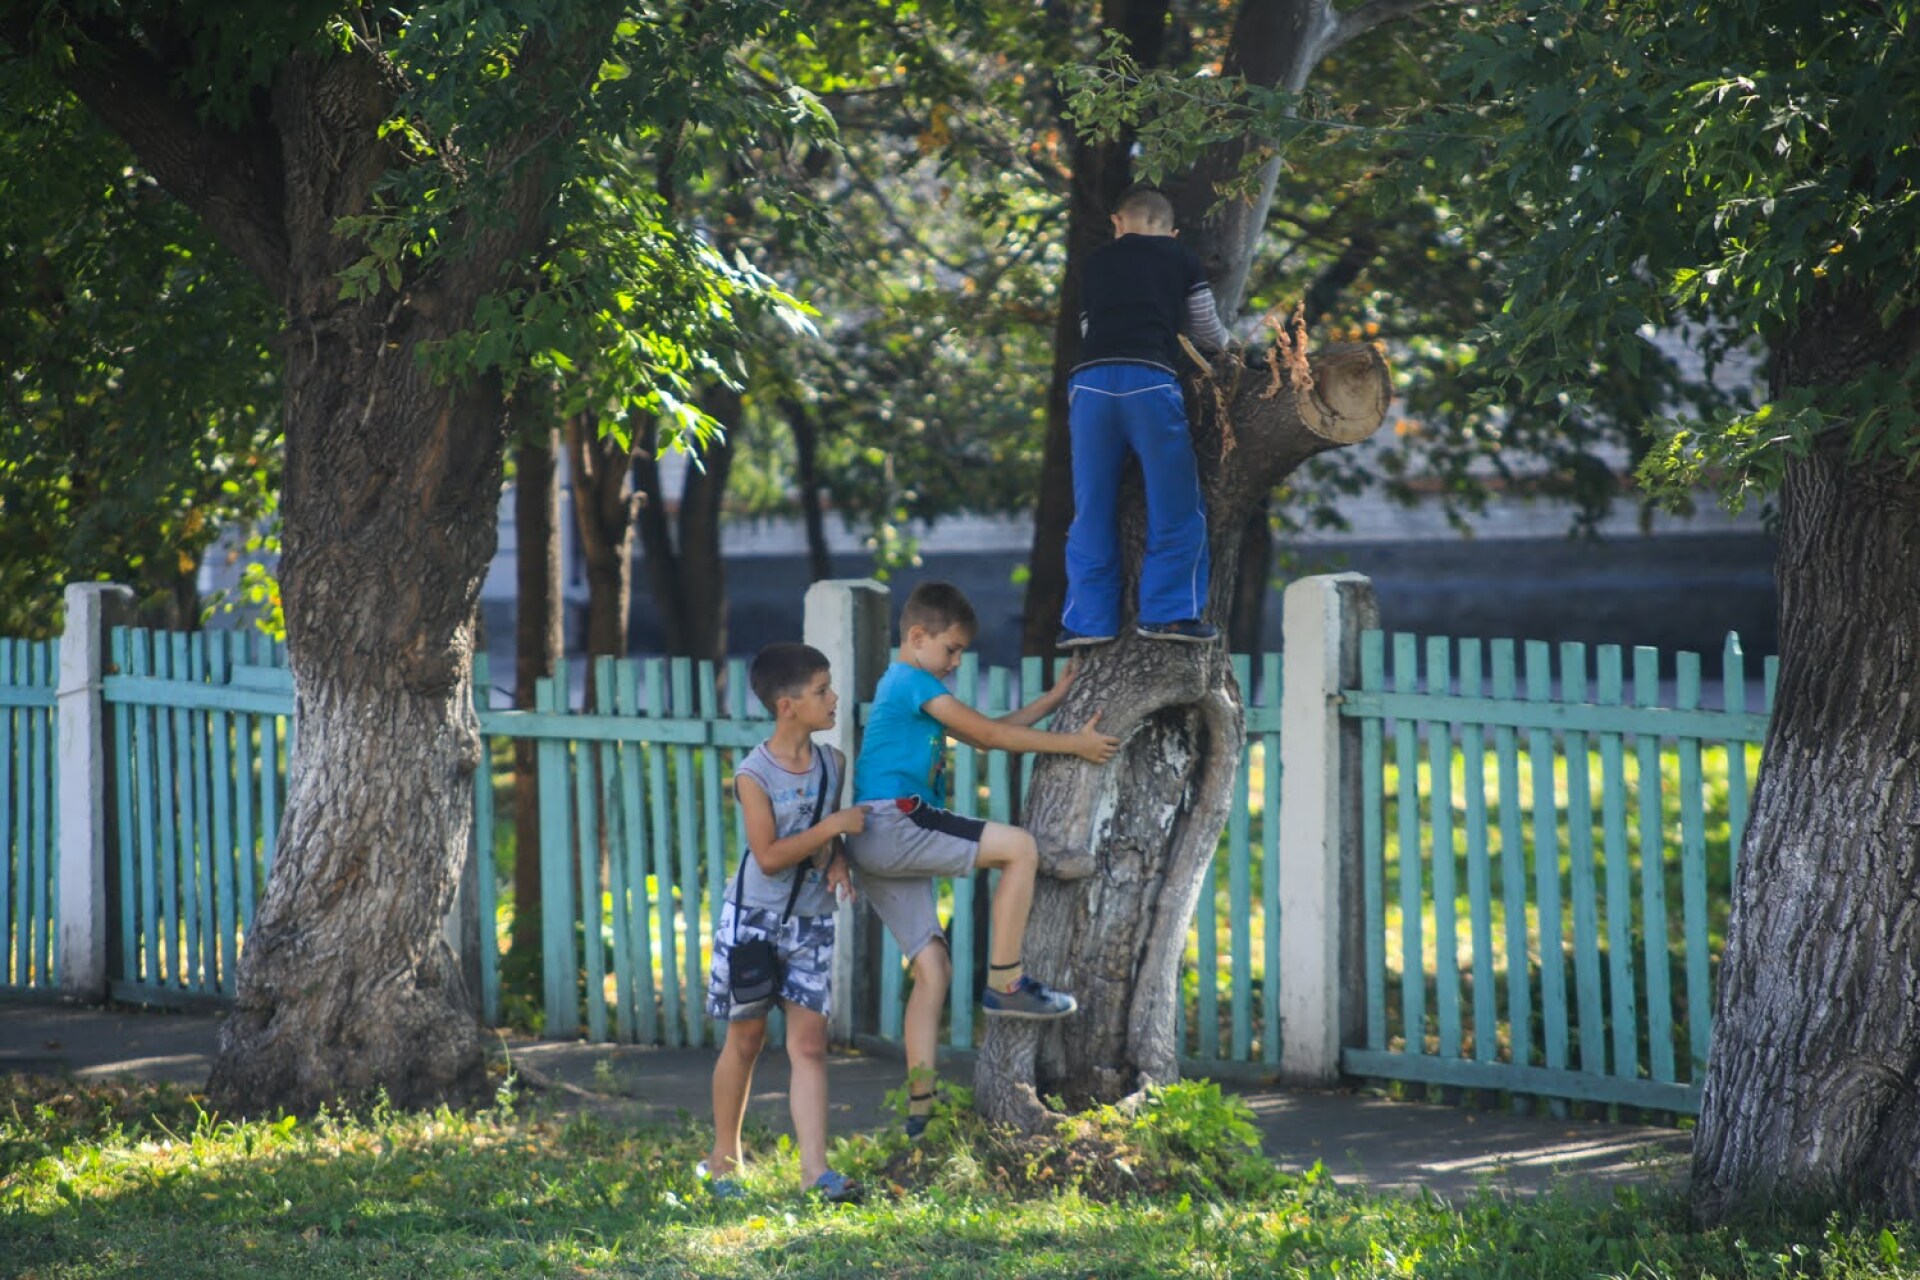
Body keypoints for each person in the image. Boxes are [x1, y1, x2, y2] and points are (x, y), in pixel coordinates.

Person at [846, 581, 1121, 1137]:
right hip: (897, 820)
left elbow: (982, 735)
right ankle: (1007, 981)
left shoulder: (904, 685)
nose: (955, 663)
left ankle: (920, 1112)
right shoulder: (912, 681)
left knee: (933, 970)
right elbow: (991, 737)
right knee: (1020, 848)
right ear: (917, 637)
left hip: (868, 843)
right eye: (951, 650)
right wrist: (1075, 745)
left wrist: (1053, 701)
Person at [700, 642, 864, 1203]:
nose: (834, 698)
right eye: (822, 690)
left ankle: (815, 1172)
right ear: (786, 705)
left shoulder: (833, 763)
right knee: (745, 1040)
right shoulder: (754, 774)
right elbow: (769, 856)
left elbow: (824, 837)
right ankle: (723, 1162)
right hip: (752, 920)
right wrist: (834, 828)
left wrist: (837, 856)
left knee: (810, 1045)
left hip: (812, 922)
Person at [1059, 185, 1232, 649]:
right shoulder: (1181, 259)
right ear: (1172, 233)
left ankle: (1088, 621)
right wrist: (1231, 349)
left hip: (1090, 384)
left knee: (1092, 504)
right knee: (1175, 500)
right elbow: (1206, 329)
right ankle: (1168, 614)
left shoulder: (1095, 262)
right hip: (1148, 382)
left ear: (1117, 223)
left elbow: (1088, 328)